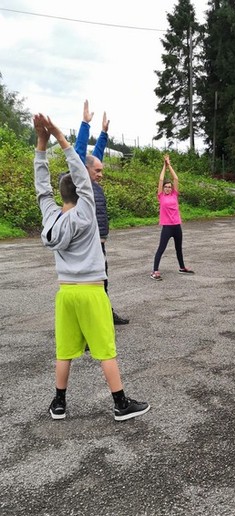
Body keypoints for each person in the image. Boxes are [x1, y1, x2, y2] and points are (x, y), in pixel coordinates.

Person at [34, 113, 150, 422]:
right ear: (82, 188)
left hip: (65, 294)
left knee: (65, 350)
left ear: (61, 194)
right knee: (105, 349)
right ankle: (120, 404)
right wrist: (61, 138)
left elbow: (42, 188)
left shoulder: (50, 217)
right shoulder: (85, 212)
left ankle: (59, 403)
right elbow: (79, 175)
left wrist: (41, 145)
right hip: (91, 291)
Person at [74, 100, 129, 324]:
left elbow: (95, 157)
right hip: (86, 244)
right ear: (83, 169)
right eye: (97, 171)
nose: (100, 174)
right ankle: (88, 323)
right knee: (88, 284)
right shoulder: (81, 184)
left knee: (102, 279)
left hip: (99, 243)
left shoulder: (94, 182)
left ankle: (105, 313)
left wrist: (104, 133)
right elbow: (79, 154)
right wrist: (85, 124)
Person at [151, 155, 193, 279]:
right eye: (166, 187)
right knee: (161, 248)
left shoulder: (174, 194)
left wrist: (169, 165)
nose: (168, 188)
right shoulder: (161, 196)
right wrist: (164, 166)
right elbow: (160, 179)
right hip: (167, 227)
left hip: (177, 226)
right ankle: (155, 271)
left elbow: (176, 178)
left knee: (178, 248)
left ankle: (182, 267)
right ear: (163, 188)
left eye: (169, 187)